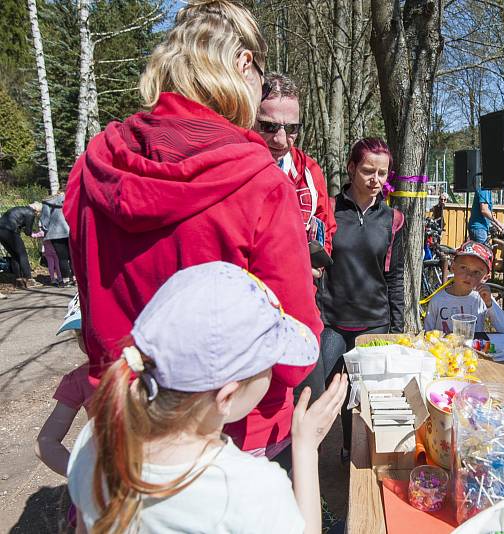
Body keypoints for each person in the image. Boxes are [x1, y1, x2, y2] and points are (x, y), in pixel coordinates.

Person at [63, 0, 320, 469]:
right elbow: (294, 349)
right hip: (231, 438)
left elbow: (89, 309)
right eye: (261, 75)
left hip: (126, 427)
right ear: (244, 65)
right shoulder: (259, 182)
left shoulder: (93, 166)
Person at [67, 262, 348, 534]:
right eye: (270, 365)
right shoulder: (249, 487)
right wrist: (306, 448)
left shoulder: (96, 439)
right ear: (227, 396)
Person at [315, 137, 404, 459]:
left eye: (383, 173)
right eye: (368, 170)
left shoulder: (392, 219)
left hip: (375, 323)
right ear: (351, 168)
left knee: (367, 395)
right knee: (325, 393)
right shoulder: (328, 211)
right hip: (331, 322)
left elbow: (394, 276)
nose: (376, 180)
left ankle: (354, 453)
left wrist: (398, 327)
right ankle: (317, 457)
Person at [255, 73, 336, 268]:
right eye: (269, 126)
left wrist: (315, 265)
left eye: (292, 128)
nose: (281, 139)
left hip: (298, 292)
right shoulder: (230, 168)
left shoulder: (309, 170)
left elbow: (325, 228)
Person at [35, 294, 89, 477]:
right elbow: (45, 442)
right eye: (81, 334)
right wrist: (83, 476)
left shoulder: (149, 367)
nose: (88, 342)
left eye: (93, 330)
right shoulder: (78, 380)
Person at [423, 240, 504, 333]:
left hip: (473, 346)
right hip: (445, 347)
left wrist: (489, 303)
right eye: (463, 268)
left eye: (476, 272)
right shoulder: (438, 300)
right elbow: (427, 334)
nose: (469, 276)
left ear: (485, 278)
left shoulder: (482, 299)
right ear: (453, 267)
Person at [0, 202, 42, 288]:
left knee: (15, 255)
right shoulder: (30, 213)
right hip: (10, 232)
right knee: (23, 255)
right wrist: (34, 234)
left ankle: (19, 280)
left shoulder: (18, 208)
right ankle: (29, 280)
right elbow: (28, 231)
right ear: (37, 210)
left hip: (1, 231)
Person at [40, 193, 74, 287]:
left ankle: (65, 280)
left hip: (55, 234)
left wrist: (44, 228)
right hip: (71, 231)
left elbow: (45, 220)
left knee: (62, 258)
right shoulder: (70, 198)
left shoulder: (47, 203)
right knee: (72, 257)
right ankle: (75, 278)